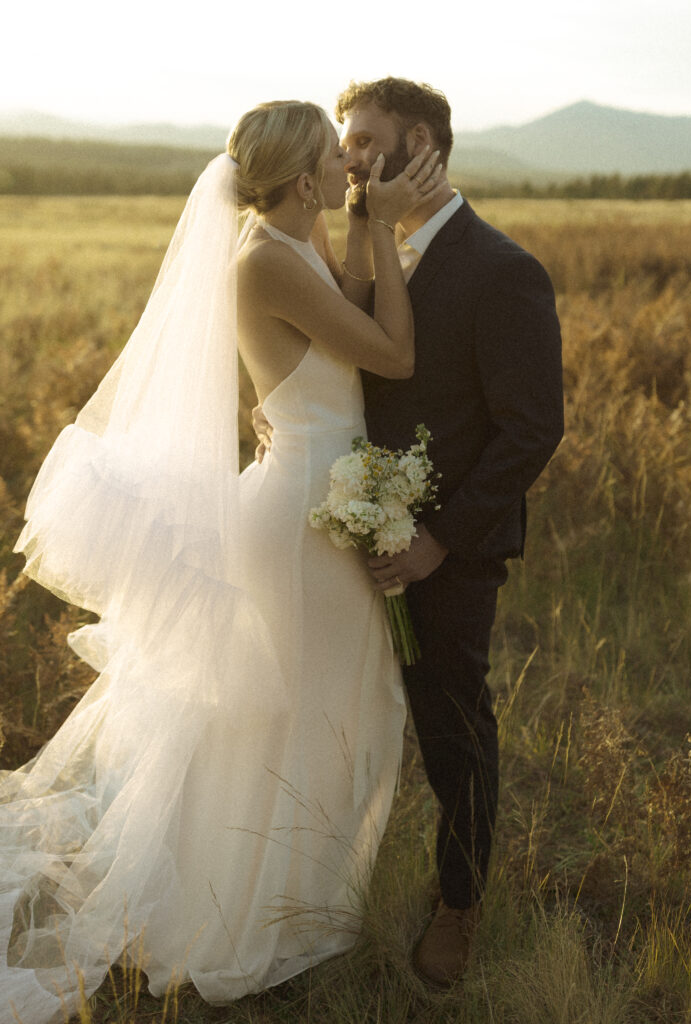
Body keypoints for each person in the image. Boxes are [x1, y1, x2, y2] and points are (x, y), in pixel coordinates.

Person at [0, 100, 442, 1023]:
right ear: (298, 179)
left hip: (322, 497)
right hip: (301, 521)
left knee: (323, 702)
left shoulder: (297, 244)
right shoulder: (264, 262)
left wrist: (364, 227)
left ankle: (295, 901)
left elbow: (356, 307)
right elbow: (392, 351)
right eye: (335, 157)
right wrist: (393, 228)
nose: (348, 168)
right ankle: (234, 915)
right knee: (289, 714)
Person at [334, 78, 564, 986]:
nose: (350, 156)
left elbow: (531, 427)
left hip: (448, 557)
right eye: (346, 143)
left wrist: (441, 541)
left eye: (363, 140)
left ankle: (459, 904)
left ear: (418, 142)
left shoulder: (502, 269)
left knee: (454, 731)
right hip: (355, 532)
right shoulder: (378, 250)